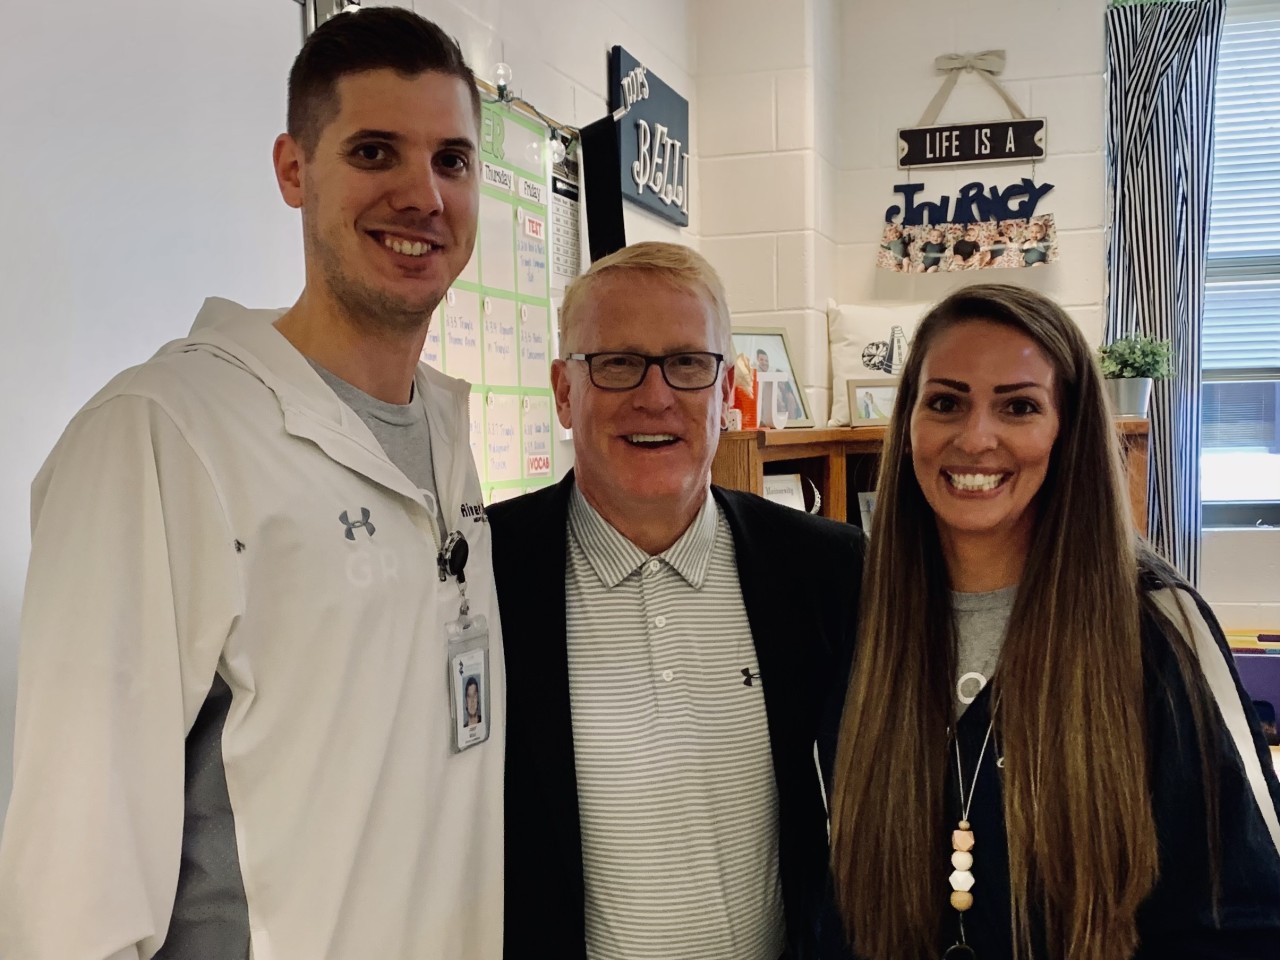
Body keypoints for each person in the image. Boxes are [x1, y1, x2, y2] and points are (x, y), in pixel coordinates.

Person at [0, 9, 505, 960]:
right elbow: (72, 892)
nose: (422, 194)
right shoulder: (162, 436)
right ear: (293, 169)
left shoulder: (445, 429)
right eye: (374, 151)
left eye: (452, 160)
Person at [828, 283, 1280, 959]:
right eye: (946, 402)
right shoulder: (859, 620)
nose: (976, 438)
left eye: (1019, 407)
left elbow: (1246, 917)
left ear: (1067, 430)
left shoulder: (1157, 628)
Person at [488, 241, 865, 960]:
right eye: (617, 362)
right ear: (565, 391)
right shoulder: (484, 575)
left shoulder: (828, 573)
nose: (654, 396)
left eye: (688, 364)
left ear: (728, 392)